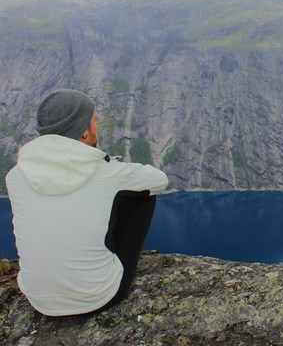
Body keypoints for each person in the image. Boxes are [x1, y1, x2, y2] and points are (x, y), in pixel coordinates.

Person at [6, 89, 175, 316]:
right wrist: (112, 167)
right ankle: (105, 260)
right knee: (142, 193)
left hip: (38, 299)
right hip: (98, 296)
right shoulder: (107, 174)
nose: (96, 127)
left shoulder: (16, 176)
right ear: (84, 132)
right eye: (94, 121)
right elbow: (158, 180)